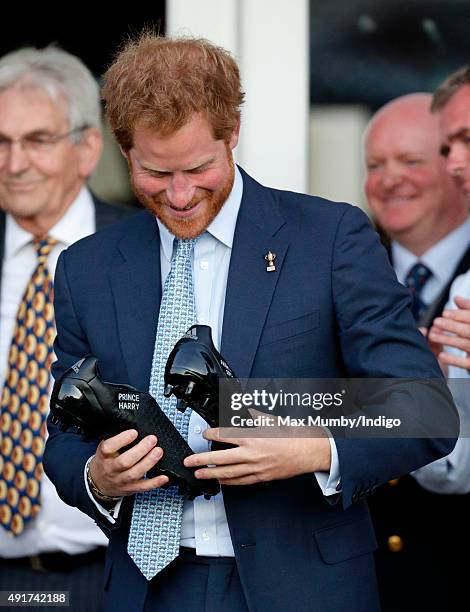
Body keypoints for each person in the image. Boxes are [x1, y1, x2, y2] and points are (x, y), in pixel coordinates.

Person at [43, 34, 456, 612]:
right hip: (146, 591)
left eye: (198, 167)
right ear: (123, 151)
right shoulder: (84, 268)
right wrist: (98, 477)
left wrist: (313, 448)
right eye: (155, 173)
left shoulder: (330, 238)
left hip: (303, 587)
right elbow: (62, 434)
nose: (181, 195)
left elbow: (426, 408)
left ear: (232, 133)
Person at [0, 46, 134, 610]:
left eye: (36, 140)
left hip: (108, 576)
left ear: (86, 149)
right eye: (1, 143)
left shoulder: (142, 253)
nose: (14, 163)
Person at [363, 93, 470, 612]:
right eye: (375, 165)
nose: (389, 179)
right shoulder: (344, 271)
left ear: (456, 168)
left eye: (411, 161)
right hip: (364, 575)